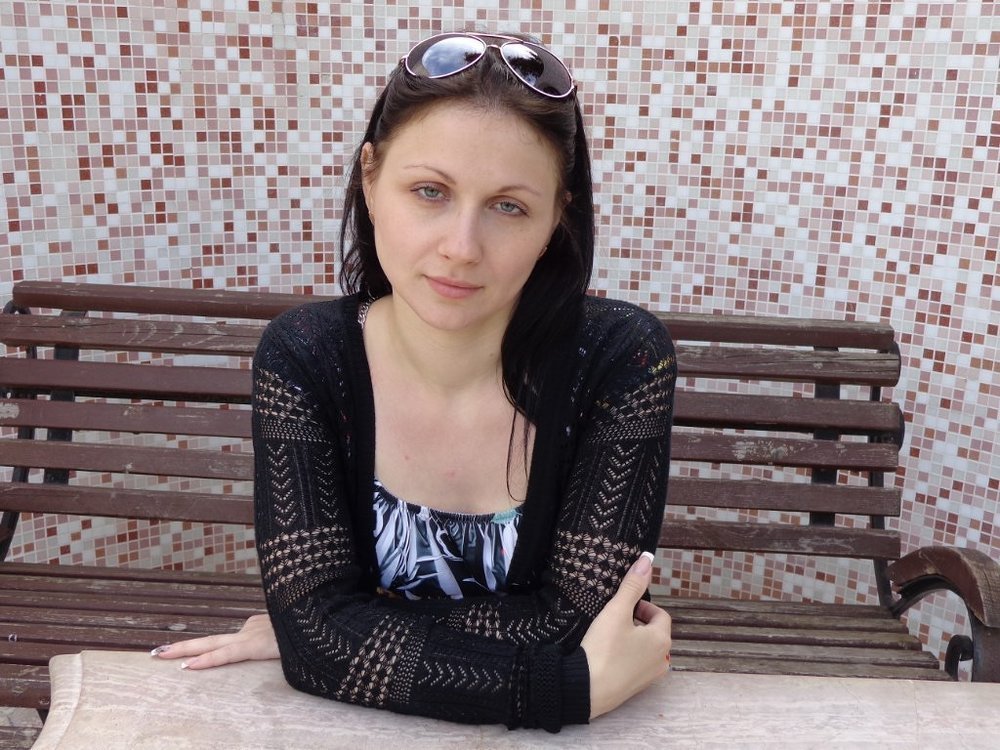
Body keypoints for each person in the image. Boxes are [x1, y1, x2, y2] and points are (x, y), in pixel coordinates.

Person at [151, 30, 675, 732]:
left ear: (557, 216)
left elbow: (579, 621)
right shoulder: (306, 357)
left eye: (509, 206)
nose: (461, 247)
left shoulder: (621, 360)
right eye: (430, 191)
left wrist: (344, 633)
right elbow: (315, 634)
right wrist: (560, 688)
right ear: (370, 179)